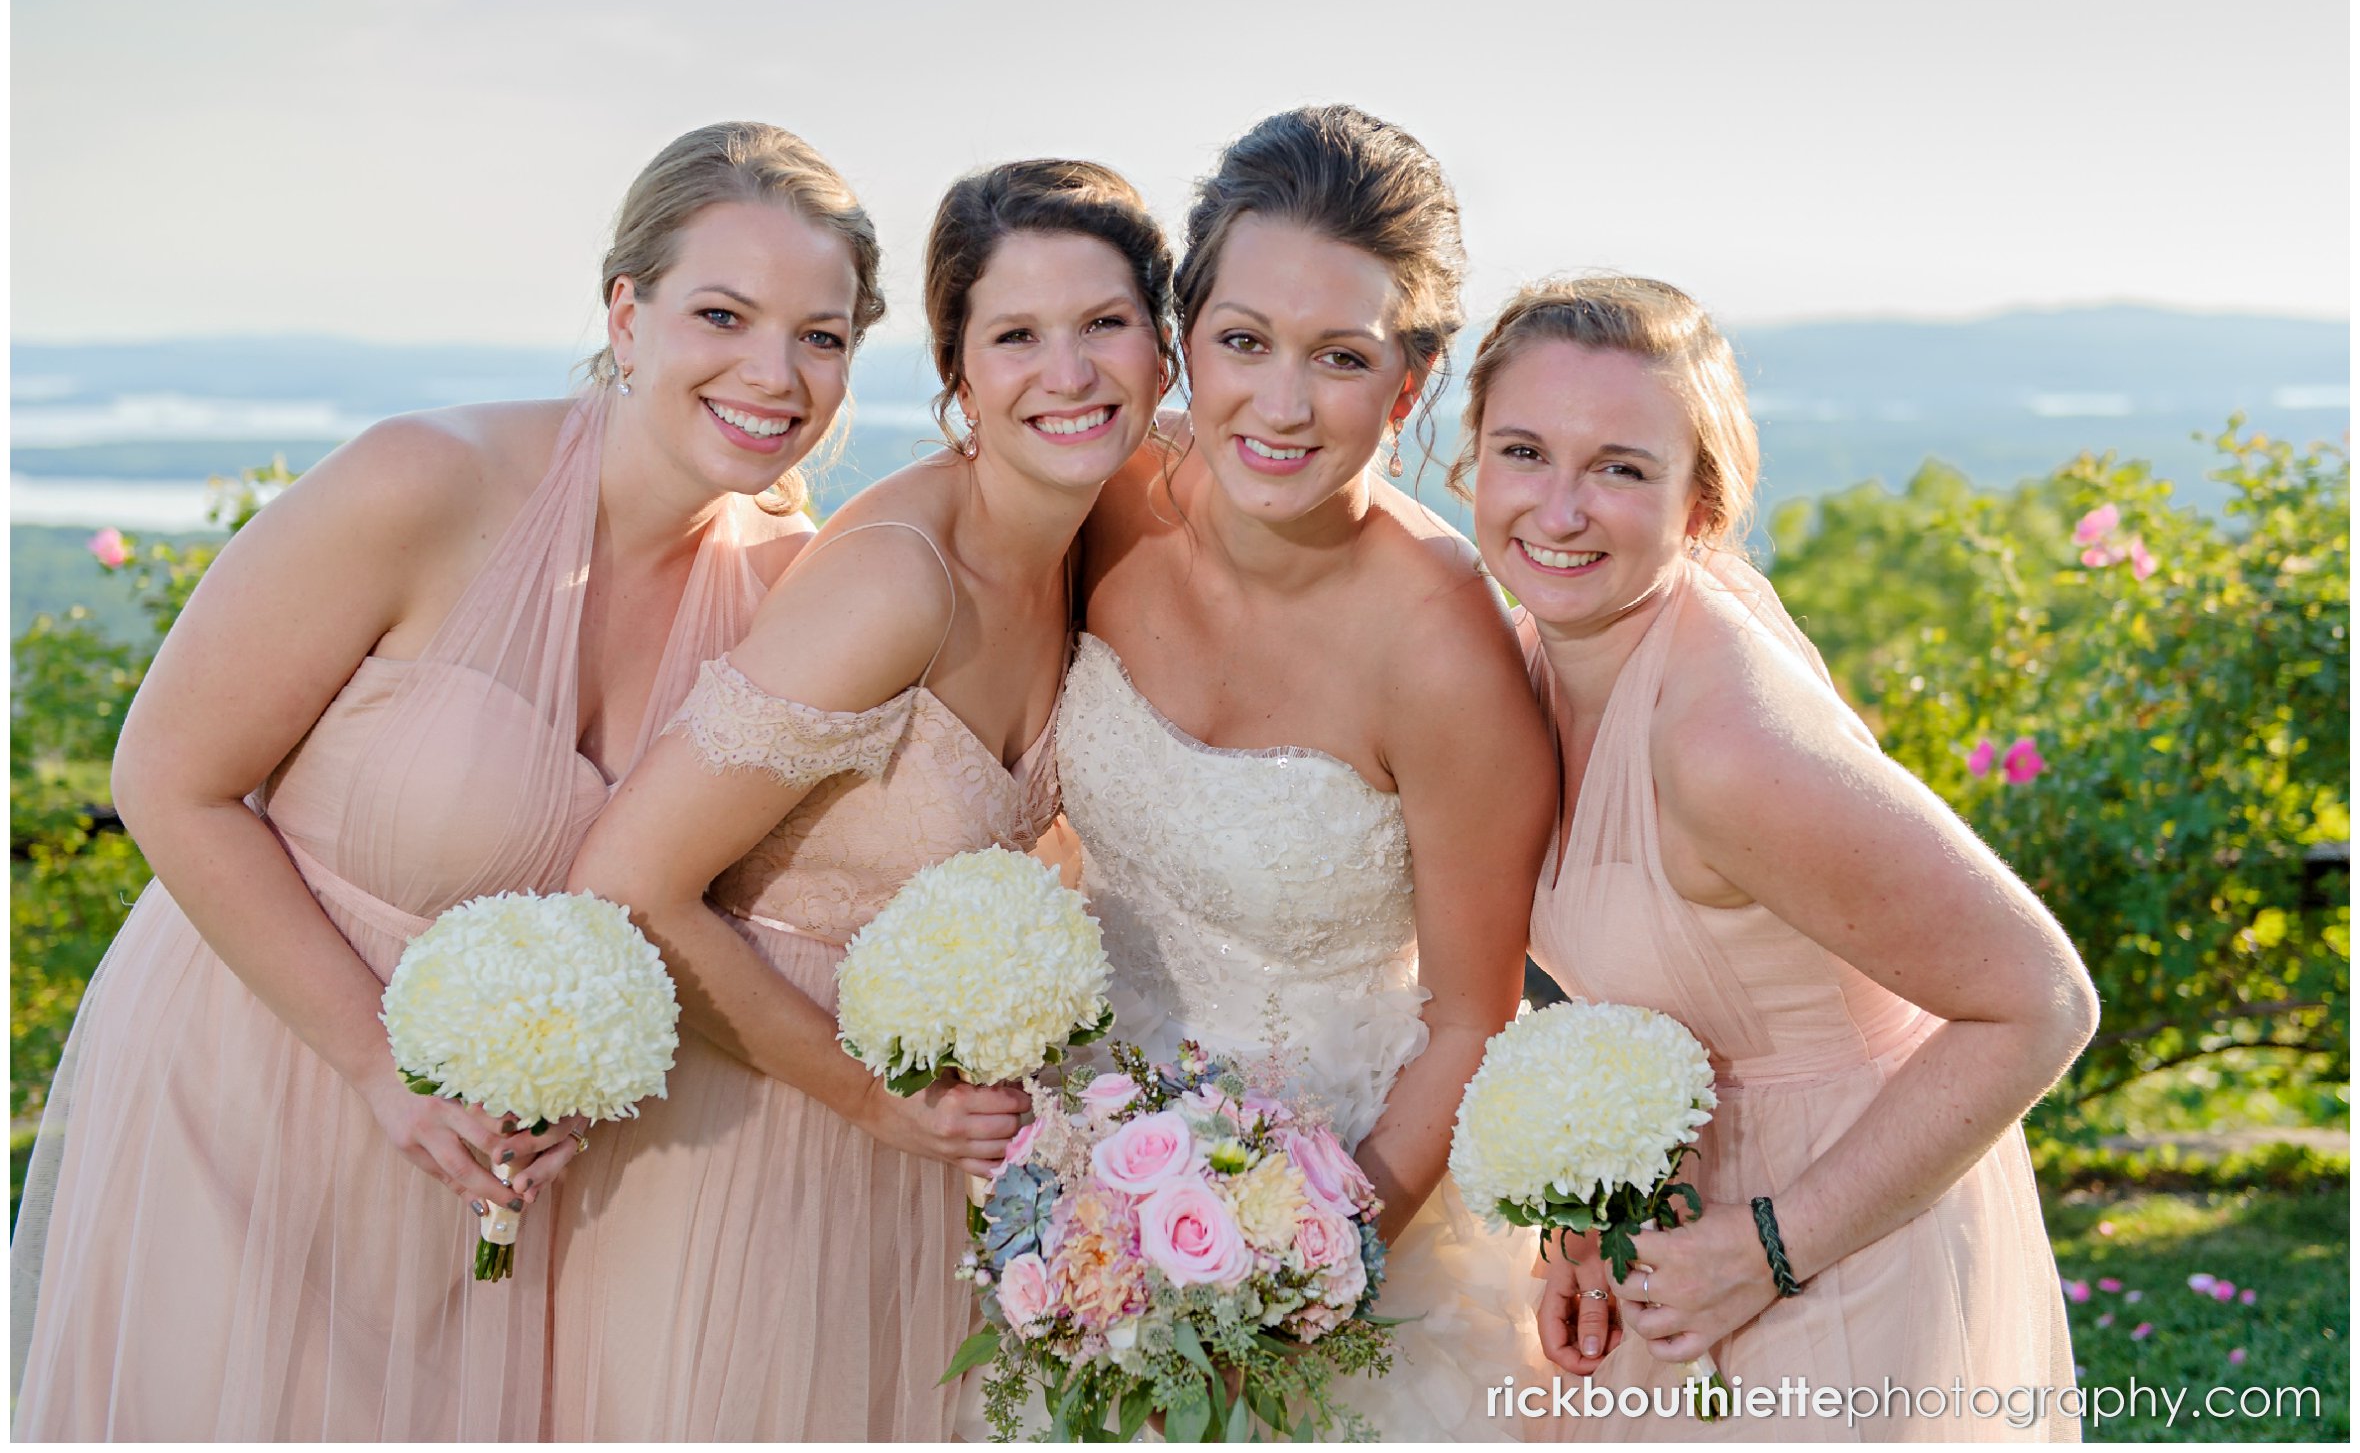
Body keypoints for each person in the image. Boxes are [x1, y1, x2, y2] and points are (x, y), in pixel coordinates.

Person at [7, 121, 883, 1439]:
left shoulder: (792, 589)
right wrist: (374, 1065)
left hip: (515, 1176)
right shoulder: (425, 480)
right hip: (265, 1078)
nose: (776, 372)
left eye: (821, 335)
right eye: (725, 313)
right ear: (625, 315)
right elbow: (170, 776)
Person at [548, 158, 1174, 1439]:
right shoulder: (897, 580)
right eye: (1014, 336)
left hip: (937, 1165)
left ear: (1161, 349)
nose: (1068, 372)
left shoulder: (1092, 545)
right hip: (761, 1141)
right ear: (956, 372)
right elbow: (626, 880)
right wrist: (866, 1099)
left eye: (1103, 324)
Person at [1463, 276, 2093, 1441]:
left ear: (1697, 507)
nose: (1557, 508)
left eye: (1619, 468)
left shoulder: (1726, 748)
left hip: (1840, 1236)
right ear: (1471, 467)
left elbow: (2040, 1002)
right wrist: (1581, 1219)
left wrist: (1770, 1244)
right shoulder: (1526, 656)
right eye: (1522, 451)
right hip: (1676, 1246)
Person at [1052, 104, 1557, 1439]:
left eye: (1338, 358)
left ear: (1410, 379)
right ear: (1184, 339)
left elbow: (1474, 1019)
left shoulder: (1446, 653)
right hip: (1073, 1192)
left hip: (1344, 1194)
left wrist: (1298, 1268)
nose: (1279, 406)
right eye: (1241, 343)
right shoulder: (1101, 503)